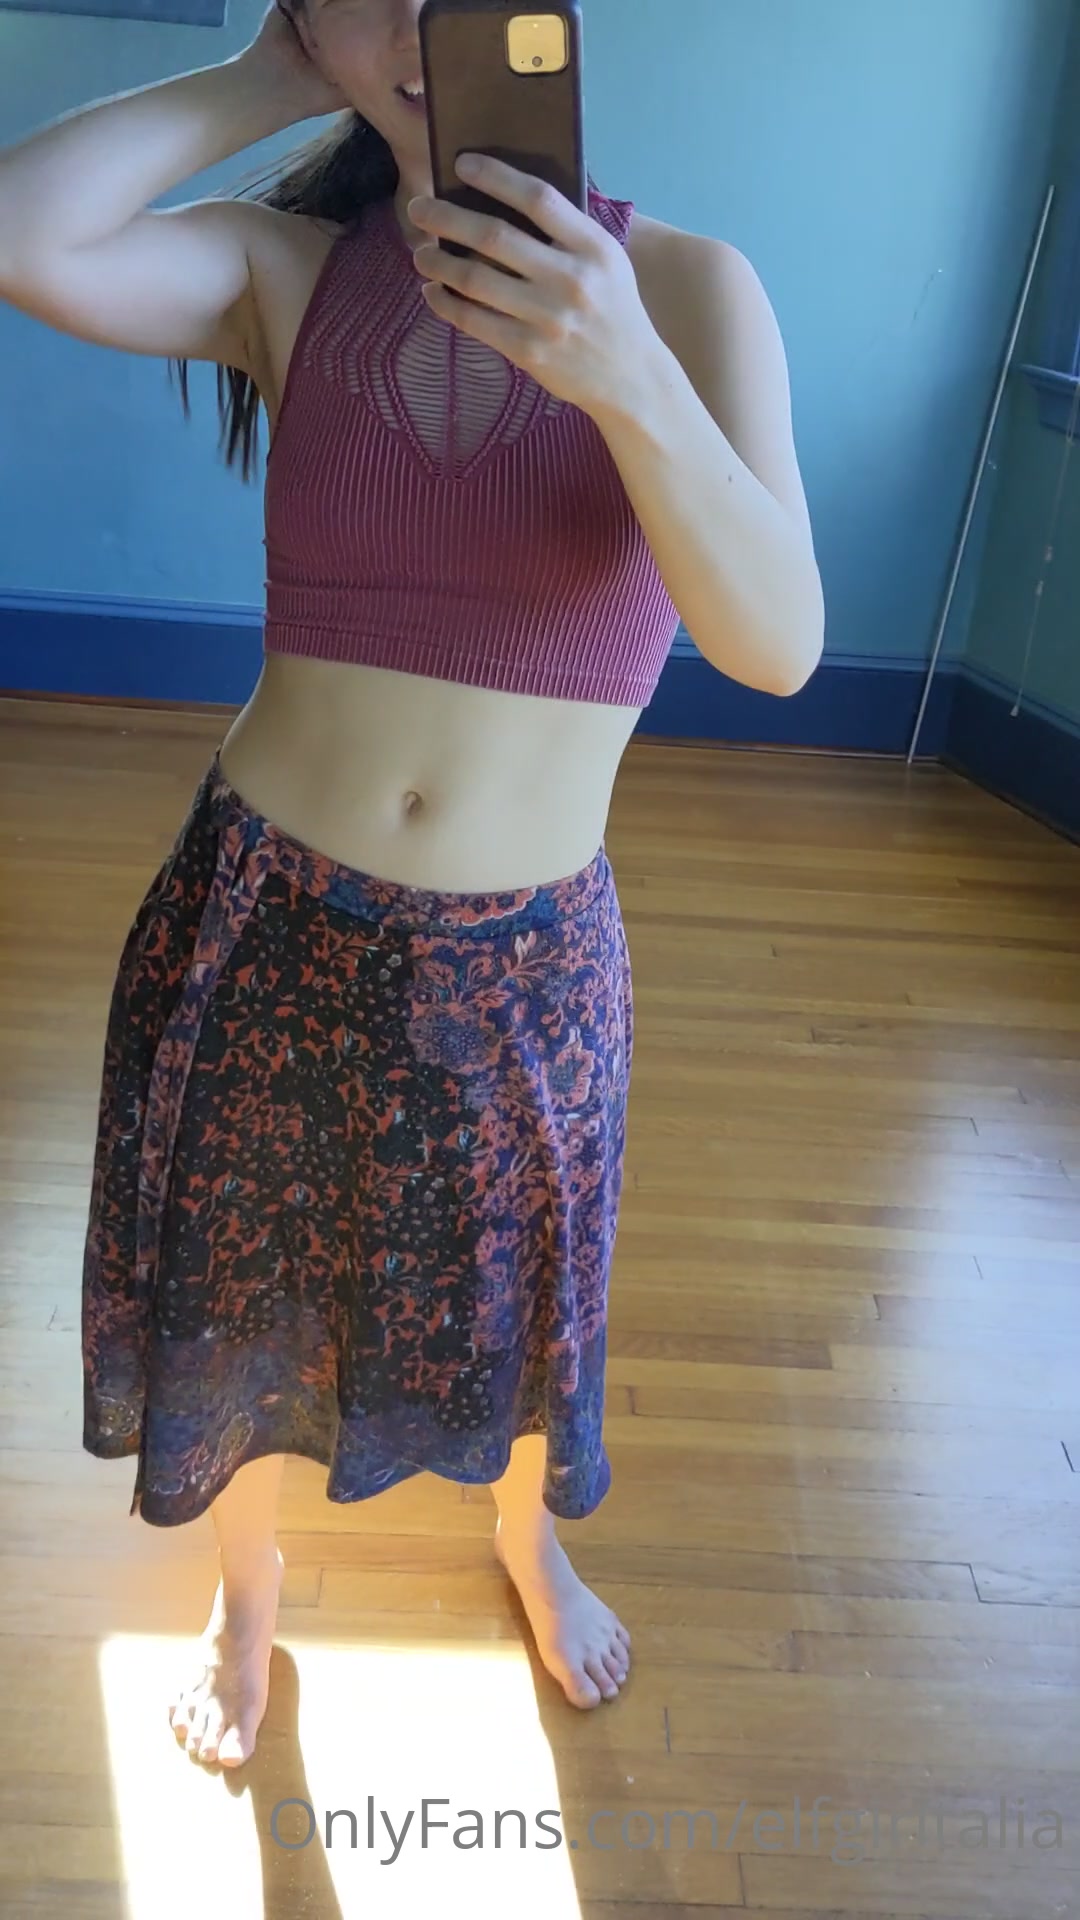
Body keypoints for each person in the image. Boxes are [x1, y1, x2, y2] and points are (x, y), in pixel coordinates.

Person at [0, 0, 824, 1769]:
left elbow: (778, 645)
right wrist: (268, 75)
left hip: (527, 959)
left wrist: (623, 372)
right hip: (259, 920)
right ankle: (245, 1592)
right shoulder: (288, 271)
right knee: (232, 1289)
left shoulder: (689, 292)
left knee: (527, 1302)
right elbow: (22, 235)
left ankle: (528, 1537)